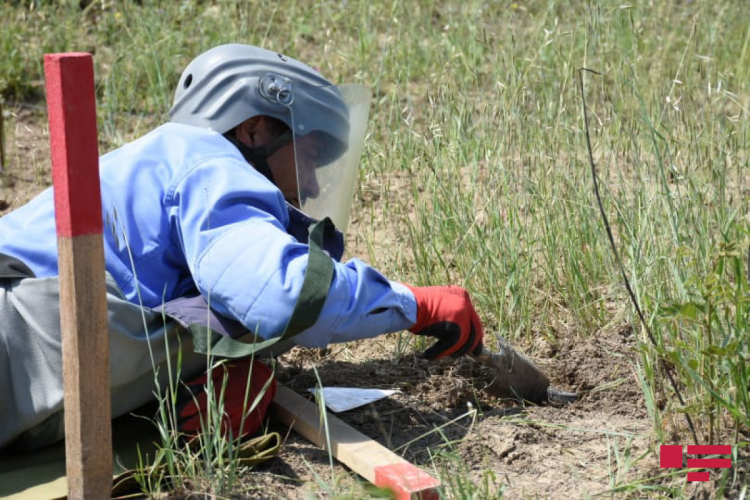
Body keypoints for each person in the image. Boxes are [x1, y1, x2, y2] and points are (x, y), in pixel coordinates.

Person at [0, 44, 483, 451]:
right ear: (253, 130)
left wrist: (215, 369)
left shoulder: (172, 165)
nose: (312, 186)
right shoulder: (207, 160)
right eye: (311, 156)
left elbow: (164, 305)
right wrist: (412, 303)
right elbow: (283, 295)